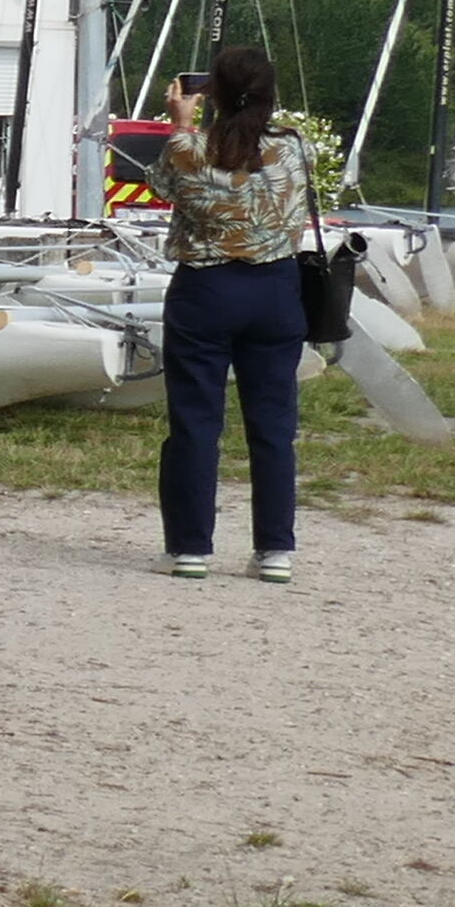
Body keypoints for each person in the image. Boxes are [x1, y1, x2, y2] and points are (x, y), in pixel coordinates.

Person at [134, 44, 309, 582]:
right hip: (276, 290)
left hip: (205, 290)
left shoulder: (190, 149)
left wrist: (180, 122)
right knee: (274, 427)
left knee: (195, 422)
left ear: (210, 92)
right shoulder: (292, 148)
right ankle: (275, 549)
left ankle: (190, 548)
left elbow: (159, 187)